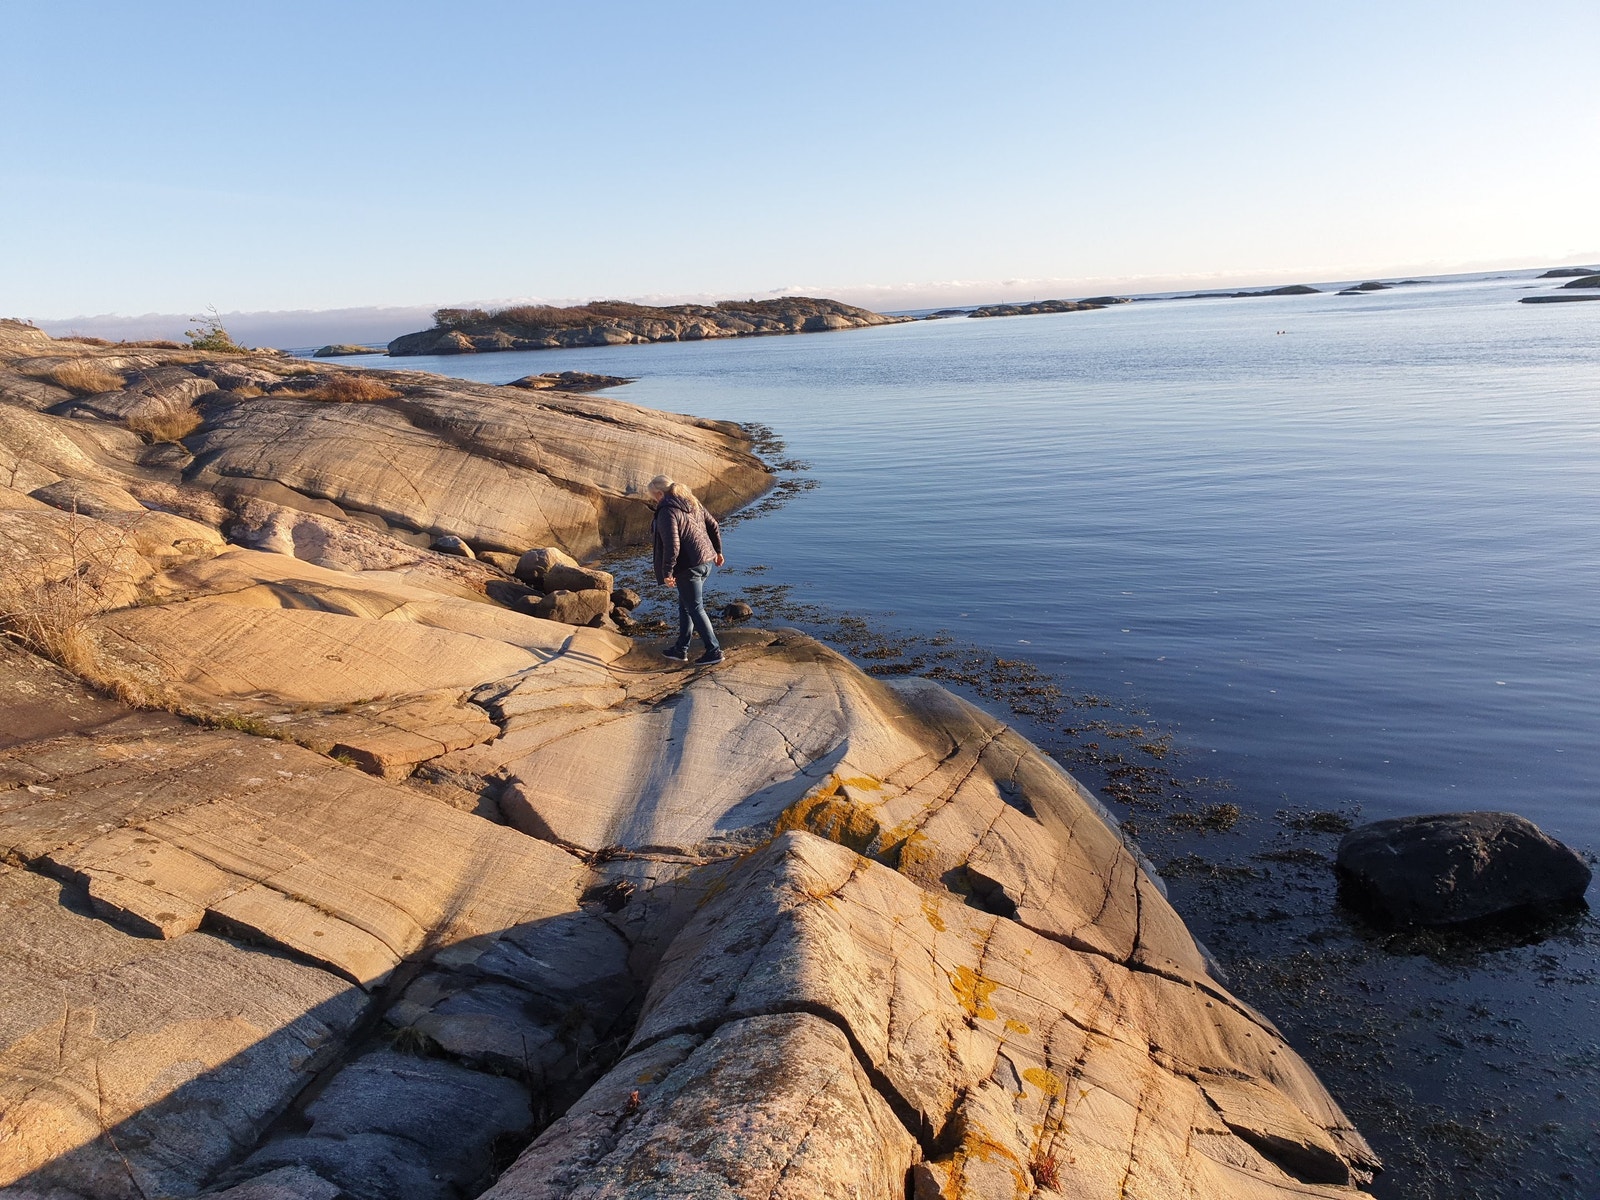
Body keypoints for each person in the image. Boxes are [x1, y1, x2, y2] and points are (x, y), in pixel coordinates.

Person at [648, 474, 725, 664]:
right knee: (686, 605)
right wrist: (718, 551)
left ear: (659, 494)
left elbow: (672, 545)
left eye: (653, 497)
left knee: (695, 607)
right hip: (706, 561)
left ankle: (714, 650)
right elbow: (714, 525)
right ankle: (680, 649)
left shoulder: (667, 511)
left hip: (688, 566)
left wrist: (667, 572)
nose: (654, 501)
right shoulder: (691, 502)